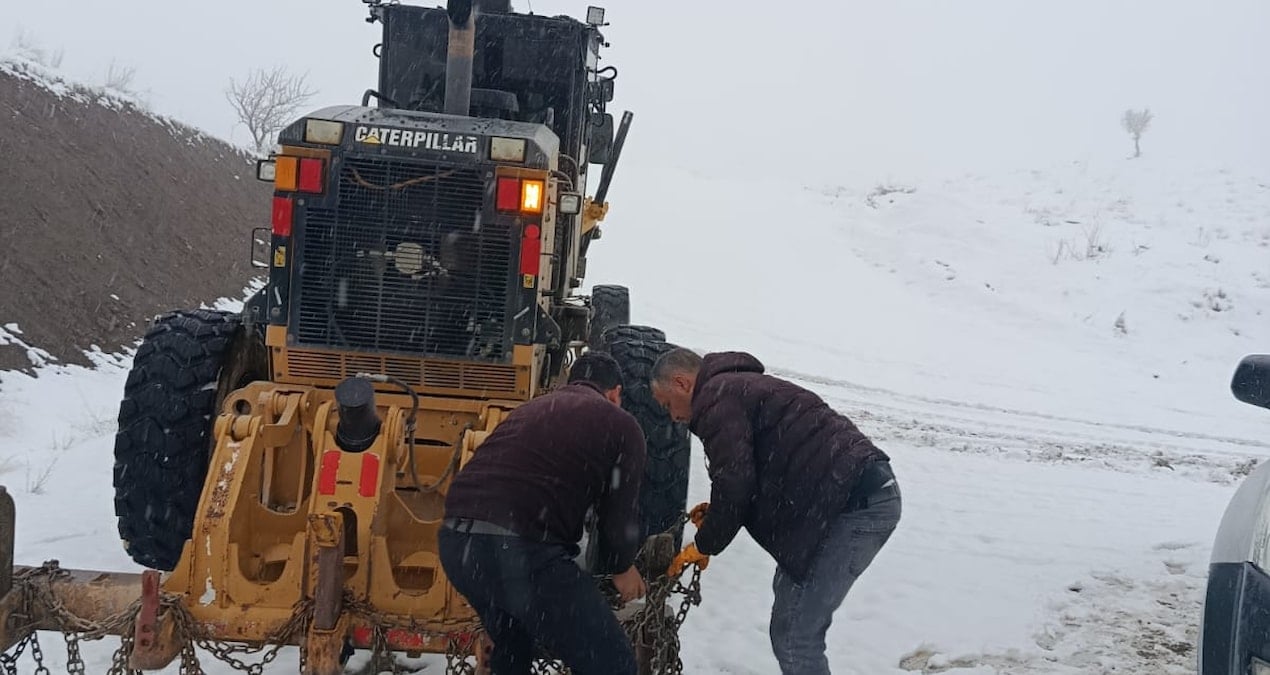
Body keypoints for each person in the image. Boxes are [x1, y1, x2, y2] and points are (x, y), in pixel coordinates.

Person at [652, 348, 901, 675]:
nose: (673, 416)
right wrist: (718, 515)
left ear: (682, 383)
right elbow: (752, 472)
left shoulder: (716, 399)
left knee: (796, 635)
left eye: (668, 404)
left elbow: (736, 482)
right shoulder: (736, 385)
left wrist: (703, 545)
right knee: (789, 620)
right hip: (849, 495)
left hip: (854, 505)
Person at [438, 351, 648, 675]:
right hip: (521, 552)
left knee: (512, 649)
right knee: (613, 664)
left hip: (458, 546)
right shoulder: (621, 424)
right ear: (616, 393)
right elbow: (618, 516)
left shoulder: (531, 409)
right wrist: (622, 567)